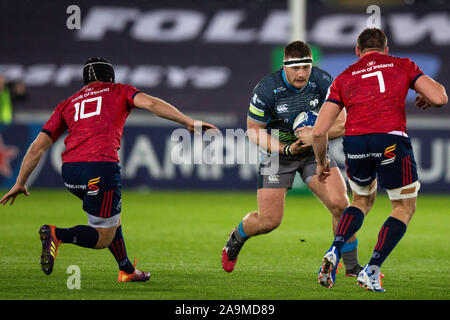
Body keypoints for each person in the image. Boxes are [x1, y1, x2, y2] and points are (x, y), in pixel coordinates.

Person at [0, 57, 217, 282]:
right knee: (103, 236)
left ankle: (127, 270)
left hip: (70, 173)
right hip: (100, 168)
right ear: (111, 77)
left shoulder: (68, 103)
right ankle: (56, 234)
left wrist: (20, 181)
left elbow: (37, 147)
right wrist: (187, 122)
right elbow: (152, 104)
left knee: (112, 217)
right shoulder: (119, 91)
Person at [313, 28, 447, 292]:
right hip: (390, 140)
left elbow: (319, 131)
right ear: (386, 49)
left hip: (356, 142)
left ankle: (334, 249)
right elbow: (440, 97)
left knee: (361, 201)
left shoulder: (344, 76)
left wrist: (320, 163)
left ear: (357, 50)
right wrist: (426, 99)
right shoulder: (402, 65)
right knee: (403, 207)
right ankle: (371, 269)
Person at [221, 41, 362, 277]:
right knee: (269, 220)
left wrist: (316, 135)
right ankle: (236, 238)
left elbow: (344, 123)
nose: (301, 73)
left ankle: (352, 267)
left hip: (312, 151)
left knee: (341, 204)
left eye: (306, 67)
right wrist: (286, 149)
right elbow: (254, 130)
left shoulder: (322, 81)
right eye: (295, 68)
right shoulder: (267, 89)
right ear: (284, 66)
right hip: (278, 154)